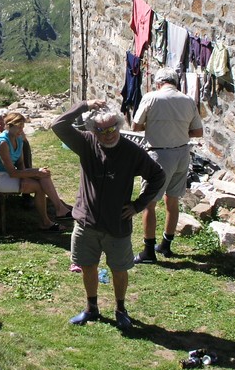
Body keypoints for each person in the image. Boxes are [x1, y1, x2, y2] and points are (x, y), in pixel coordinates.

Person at [52, 100, 165, 330]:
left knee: (119, 269)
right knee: (87, 265)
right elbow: (58, 125)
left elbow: (158, 176)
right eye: (101, 130)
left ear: (119, 125)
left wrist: (138, 205)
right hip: (86, 222)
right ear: (93, 130)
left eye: (113, 128)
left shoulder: (131, 151)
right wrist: (84, 105)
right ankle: (91, 308)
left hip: (117, 224)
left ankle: (121, 309)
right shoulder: (86, 142)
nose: (108, 134)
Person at [131, 67, 203, 263]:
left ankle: (148, 252)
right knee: (172, 201)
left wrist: (155, 127)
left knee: (149, 203)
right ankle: (166, 244)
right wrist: (178, 131)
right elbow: (198, 132)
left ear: (158, 83)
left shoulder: (151, 98)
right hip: (182, 153)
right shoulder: (188, 100)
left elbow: (135, 126)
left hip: (159, 154)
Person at [0, 111, 72, 231]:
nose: (21, 130)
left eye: (22, 126)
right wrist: (34, 173)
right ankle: (45, 223)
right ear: (9, 126)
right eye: (19, 127)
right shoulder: (2, 142)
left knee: (44, 175)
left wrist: (30, 175)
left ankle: (60, 209)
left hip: (10, 174)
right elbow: (12, 172)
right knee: (38, 187)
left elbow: (20, 163)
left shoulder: (19, 138)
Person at [0, 108, 34, 204]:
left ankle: (27, 196)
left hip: (9, 165)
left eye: (2, 121)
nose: (0, 123)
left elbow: (21, 162)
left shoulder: (17, 136)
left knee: (42, 177)